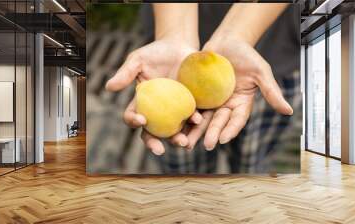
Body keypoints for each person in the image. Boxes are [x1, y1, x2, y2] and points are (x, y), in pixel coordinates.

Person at [106, 3, 301, 173]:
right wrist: (175, 33)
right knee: (186, 175)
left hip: (274, 52)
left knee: (251, 166)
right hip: (171, 62)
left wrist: (236, 35)